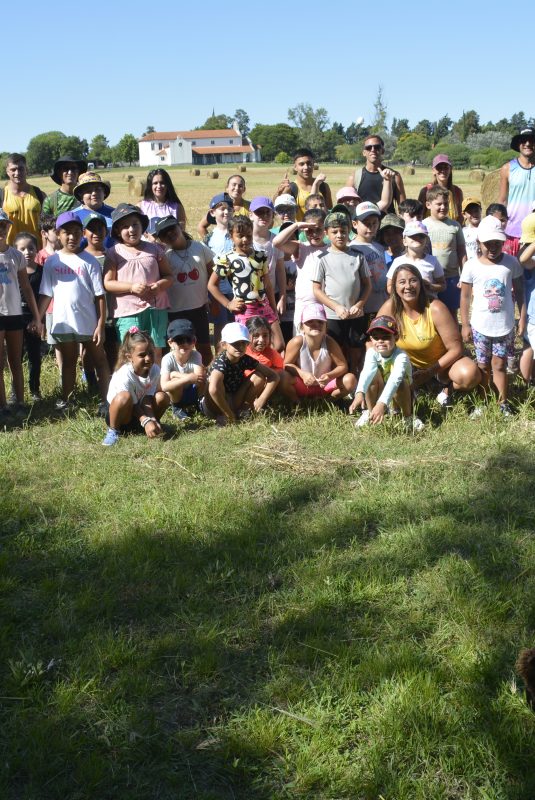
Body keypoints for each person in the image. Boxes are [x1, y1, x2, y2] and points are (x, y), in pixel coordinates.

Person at [376, 263, 481, 406]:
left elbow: (456, 349)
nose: (408, 286)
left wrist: (430, 372)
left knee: (469, 375)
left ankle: (445, 390)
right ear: (394, 286)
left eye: (413, 280)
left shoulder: (435, 308)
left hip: (441, 365)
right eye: (402, 282)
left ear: (421, 283)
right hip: (408, 366)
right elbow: (374, 339)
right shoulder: (390, 307)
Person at [37, 212, 109, 410]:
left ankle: (106, 400)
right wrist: (38, 318)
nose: (72, 237)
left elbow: (100, 296)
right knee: (68, 363)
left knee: (100, 361)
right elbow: (46, 294)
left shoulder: (90, 261)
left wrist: (100, 325)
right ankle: (67, 401)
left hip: (88, 323)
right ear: (58, 234)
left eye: (77, 232)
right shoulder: (52, 262)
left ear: (82, 234)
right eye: (67, 232)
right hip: (63, 321)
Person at [460, 215, 524, 416]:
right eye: (488, 243)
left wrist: (521, 318)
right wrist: (465, 325)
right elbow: (465, 297)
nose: (493, 247)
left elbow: (520, 292)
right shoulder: (471, 266)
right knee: (482, 365)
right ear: (479, 242)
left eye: (498, 243)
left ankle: (502, 403)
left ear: (503, 242)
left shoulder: (511, 263)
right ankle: (482, 402)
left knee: (499, 364)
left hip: (504, 326)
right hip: (480, 326)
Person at [104, 203, 173, 363]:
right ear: (117, 231)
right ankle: (134, 386)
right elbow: (108, 283)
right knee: (132, 352)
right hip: (128, 311)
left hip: (156, 308)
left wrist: (160, 285)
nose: (131, 229)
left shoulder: (154, 249)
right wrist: (131, 287)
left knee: (155, 349)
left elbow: (169, 276)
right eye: (125, 226)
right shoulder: (114, 252)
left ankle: (155, 385)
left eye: (135, 224)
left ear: (142, 226)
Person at [208, 215, 284, 351]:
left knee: (278, 345)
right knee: (250, 347)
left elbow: (267, 285)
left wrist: (273, 308)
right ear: (231, 236)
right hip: (245, 310)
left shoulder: (260, 256)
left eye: (248, 236)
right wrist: (228, 304)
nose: (245, 240)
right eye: (240, 236)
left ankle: (268, 369)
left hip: (264, 305)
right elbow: (211, 285)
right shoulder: (227, 259)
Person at [312, 210, 371, 372]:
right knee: (335, 347)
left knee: (356, 346)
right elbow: (317, 290)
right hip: (333, 315)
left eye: (343, 232)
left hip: (356, 314)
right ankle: (337, 377)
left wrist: (359, 305)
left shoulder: (358, 256)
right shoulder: (322, 258)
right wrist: (336, 307)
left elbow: (367, 285)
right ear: (326, 233)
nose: (339, 235)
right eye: (335, 232)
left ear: (348, 232)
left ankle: (355, 373)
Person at [154, 215, 213, 365]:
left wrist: (211, 298)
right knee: (177, 351)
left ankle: (206, 382)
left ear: (180, 226)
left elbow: (212, 273)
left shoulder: (199, 247)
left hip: (199, 308)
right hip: (174, 311)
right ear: (160, 239)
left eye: (171, 228)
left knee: (204, 348)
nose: (169, 234)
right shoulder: (163, 256)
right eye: (163, 233)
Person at [0, 213, 42, 416]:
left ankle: (21, 403)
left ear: (8, 228)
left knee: (15, 361)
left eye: (3, 226)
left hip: (15, 314)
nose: (0, 230)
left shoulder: (16, 256)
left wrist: (36, 316)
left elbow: (26, 287)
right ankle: (3, 406)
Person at [350, 314, 422, 430]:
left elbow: (395, 380)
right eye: (375, 337)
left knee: (402, 382)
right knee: (372, 376)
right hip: (381, 394)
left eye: (386, 337)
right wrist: (359, 392)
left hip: (401, 397)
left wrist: (382, 404)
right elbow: (366, 372)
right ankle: (371, 412)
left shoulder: (401, 356)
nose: (380, 341)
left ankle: (408, 416)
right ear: (371, 339)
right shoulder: (371, 353)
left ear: (396, 337)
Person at [200, 321, 279, 424]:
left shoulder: (245, 359)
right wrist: (229, 414)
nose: (240, 347)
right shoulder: (220, 362)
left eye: (243, 343)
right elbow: (213, 390)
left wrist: (261, 399)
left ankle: (242, 411)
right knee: (214, 382)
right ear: (224, 345)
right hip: (213, 404)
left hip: (233, 398)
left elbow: (274, 376)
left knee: (258, 376)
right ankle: (223, 415)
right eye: (235, 343)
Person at [102, 328, 169, 446]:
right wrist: (145, 420)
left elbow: (147, 398)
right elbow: (133, 405)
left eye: (150, 353)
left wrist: (151, 418)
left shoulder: (154, 370)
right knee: (124, 397)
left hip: (138, 411)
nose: (148, 358)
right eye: (142, 355)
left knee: (162, 397)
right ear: (129, 357)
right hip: (122, 414)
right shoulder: (124, 374)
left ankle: (152, 426)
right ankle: (113, 430)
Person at [283, 303, 356, 402]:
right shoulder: (297, 342)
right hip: (303, 386)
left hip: (324, 386)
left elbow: (343, 366)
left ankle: (328, 400)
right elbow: (286, 365)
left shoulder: (330, 342)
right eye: (310, 321)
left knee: (350, 379)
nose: (316, 324)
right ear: (302, 326)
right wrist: (302, 374)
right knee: (282, 377)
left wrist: (329, 376)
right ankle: (297, 403)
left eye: (320, 322)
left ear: (326, 326)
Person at [272, 208, 328, 332]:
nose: (314, 234)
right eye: (309, 230)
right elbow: (276, 242)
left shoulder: (330, 249)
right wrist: (296, 225)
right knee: (301, 343)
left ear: (325, 228)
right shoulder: (301, 247)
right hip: (304, 305)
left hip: (325, 304)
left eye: (318, 229)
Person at [423, 185, 466, 317]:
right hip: (430, 278)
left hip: (451, 277)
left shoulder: (455, 226)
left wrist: (464, 274)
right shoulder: (423, 226)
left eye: (446, 204)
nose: (443, 207)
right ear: (428, 205)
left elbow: (461, 252)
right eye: (439, 204)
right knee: (430, 311)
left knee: (451, 311)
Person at [15, 232, 43, 401]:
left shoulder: (42, 271)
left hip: (35, 318)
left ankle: (35, 390)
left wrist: (38, 319)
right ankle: (15, 392)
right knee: (16, 358)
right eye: (22, 249)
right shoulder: (13, 271)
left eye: (31, 248)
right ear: (15, 251)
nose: (27, 252)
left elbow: (45, 296)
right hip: (16, 317)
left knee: (34, 356)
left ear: (37, 249)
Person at [160, 318, 206, 420]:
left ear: (194, 341)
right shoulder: (167, 359)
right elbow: (164, 386)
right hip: (176, 395)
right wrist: (188, 378)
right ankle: (177, 408)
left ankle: (199, 403)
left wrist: (175, 374)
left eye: (189, 340)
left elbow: (199, 379)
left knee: (204, 376)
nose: (185, 344)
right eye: (179, 340)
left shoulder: (196, 355)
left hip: (192, 391)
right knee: (175, 381)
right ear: (170, 343)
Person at [499, 127, 535, 256]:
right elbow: (502, 201)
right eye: (524, 140)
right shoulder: (507, 168)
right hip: (512, 232)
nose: (528, 144)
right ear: (518, 144)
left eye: (532, 140)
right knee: (512, 274)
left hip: (534, 234)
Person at [386, 221, 445, 298]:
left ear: (426, 241)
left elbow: (443, 284)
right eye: (412, 236)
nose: (417, 238)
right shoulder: (398, 261)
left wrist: (430, 286)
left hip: (428, 304)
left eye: (421, 236)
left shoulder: (433, 260)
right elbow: (389, 287)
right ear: (404, 241)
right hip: (405, 306)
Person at [349, 135, 405, 213]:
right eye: (368, 147)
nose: (373, 150)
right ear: (364, 153)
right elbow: (347, 205)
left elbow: (403, 208)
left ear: (382, 150)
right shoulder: (354, 177)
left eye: (377, 147)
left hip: (387, 223)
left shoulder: (394, 176)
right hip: (364, 222)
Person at [245, 315, 295, 400]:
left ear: (270, 336)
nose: (261, 340)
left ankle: (295, 403)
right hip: (244, 388)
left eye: (265, 335)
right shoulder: (242, 351)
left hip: (265, 389)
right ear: (247, 336)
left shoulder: (272, 354)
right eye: (256, 336)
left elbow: (282, 372)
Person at [274, 148, 332, 220]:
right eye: (301, 164)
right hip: (299, 230)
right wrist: (279, 192)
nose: (306, 167)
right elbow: (277, 210)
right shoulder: (291, 188)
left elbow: (330, 212)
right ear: (295, 167)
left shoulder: (323, 186)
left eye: (309, 163)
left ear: (313, 164)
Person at [1, 153, 46, 245]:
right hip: (10, 252)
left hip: (35, 251)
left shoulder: (39, 194)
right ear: (7, 171)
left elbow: (47, 226)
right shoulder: (1, 195)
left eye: (21, 169)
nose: (17, 173)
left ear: (26, 170)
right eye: (13, 169)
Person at [418, 154, 463, 224]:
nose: (443, 170)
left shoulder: (457, 191)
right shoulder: (425, 191)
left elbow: (460, 217)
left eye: (446, 167)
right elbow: (419, 216)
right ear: (433, 170)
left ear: (450, 169)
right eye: (439, 167)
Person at [72, 172, 115, 246]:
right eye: (88, 190)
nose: (94, 193)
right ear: (81, 195)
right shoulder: (73, 216)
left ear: (104, 192)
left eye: (98, 189)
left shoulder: (115, 213)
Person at [518, 210, 535, 383]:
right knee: (528, 346)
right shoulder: (529, 257)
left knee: (528, 347)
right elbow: (524, 259)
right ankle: (525, 382)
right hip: (533, 313)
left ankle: (528, 380)